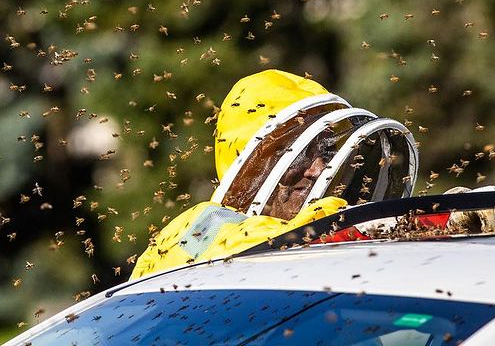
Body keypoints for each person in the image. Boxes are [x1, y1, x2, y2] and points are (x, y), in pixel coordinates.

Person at [131, 69, 419, 278]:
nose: (318, 169)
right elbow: (264, 243)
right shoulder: (204, 228)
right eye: (298, 152)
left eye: (325, 153)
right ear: (254, 162)